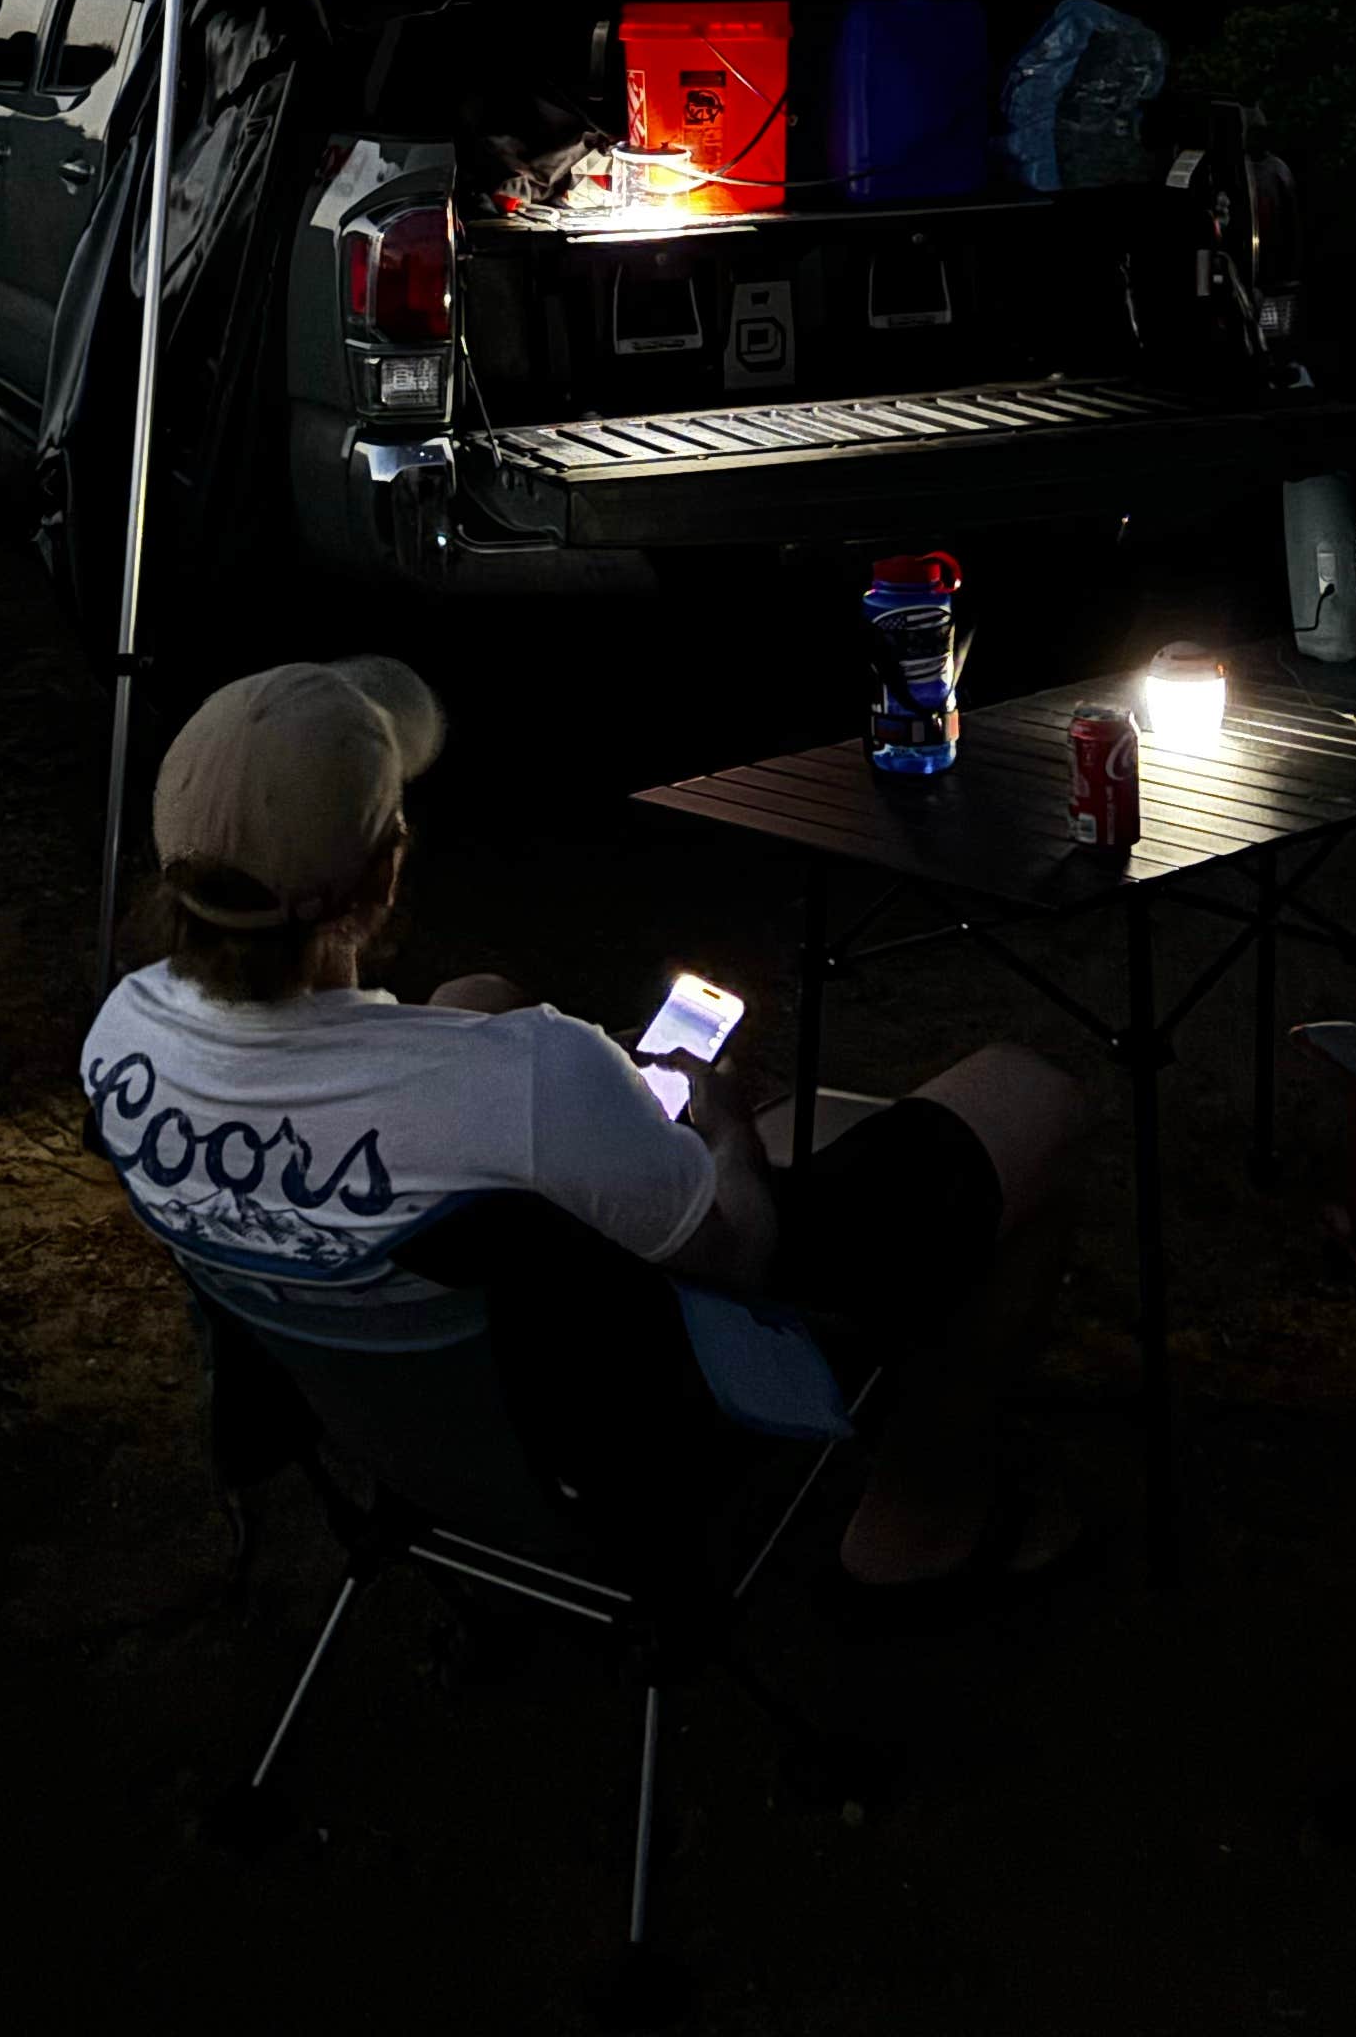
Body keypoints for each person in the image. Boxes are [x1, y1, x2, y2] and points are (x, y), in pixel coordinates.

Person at [80, 653, 1087, 1600]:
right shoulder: (533, 1072)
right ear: (384, 872)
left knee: (472, 997)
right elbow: (744, 1251)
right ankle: (918, 1529)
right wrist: (730, 1136)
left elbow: (438, 1074)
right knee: (1032, 1099)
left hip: (376, 1419)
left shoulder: (120, 1039)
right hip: (603, 1448)